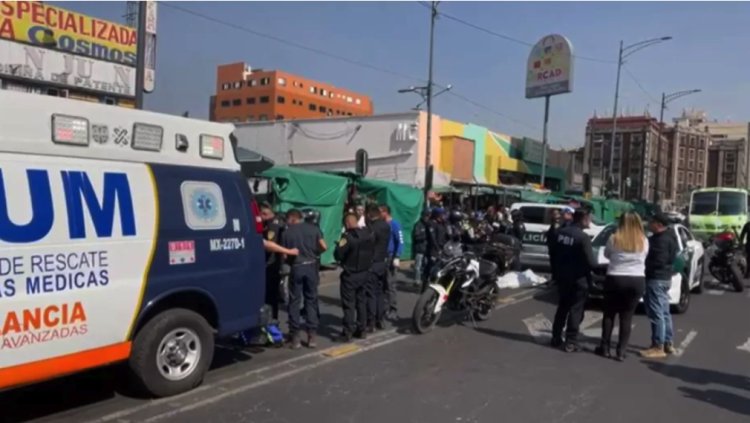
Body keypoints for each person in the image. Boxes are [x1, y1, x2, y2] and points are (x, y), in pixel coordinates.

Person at [597, 212, 648, 361]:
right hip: (636, 280)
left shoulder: (614, 238)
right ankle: (621, 351)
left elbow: (607, 255)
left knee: (609, 314)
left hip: (615, 277)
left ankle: (605, 348)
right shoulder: (643, 240)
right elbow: (645, 255)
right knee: (627, 316)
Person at [551, 208, 598, 352]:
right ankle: (571, 341)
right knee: (576, 310)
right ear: (583, 219)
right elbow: (591, 263)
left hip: (562, 277)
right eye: (589, 218)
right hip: (579, 279)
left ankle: (556, 336)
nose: (590, 221)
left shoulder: (560, 233)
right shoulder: (583, 238)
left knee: (562, 307)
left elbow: (553, 253)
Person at [280, 209, 327, 349]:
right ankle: (312, 335)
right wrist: (315, 253)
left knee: (294, 301)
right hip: (311, 266)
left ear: (292, 219)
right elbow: (324, 246)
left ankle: (295, 337)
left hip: (296, 266)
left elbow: (284, 256)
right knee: (311, 300)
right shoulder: (314, 229)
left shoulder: (286, 233)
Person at [641, 213, 678, 359]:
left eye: (652, 222)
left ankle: (658, 346)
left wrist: (645, 266)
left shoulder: (659, 241)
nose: (649, 224)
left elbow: (659, 261)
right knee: (664, 312)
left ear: (659, 224)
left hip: (656, 278)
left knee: (657, 313)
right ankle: (668, 342)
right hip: (665, 278)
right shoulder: (670, 237)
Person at [335, 213, 375, 341]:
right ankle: (361, 329)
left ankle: (347, 332)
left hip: (351, 274)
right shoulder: (367, 234)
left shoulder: (347, 237)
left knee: (349, 304)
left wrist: (338, 245)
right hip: (364, 272)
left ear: (347, 224)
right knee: (361, 302)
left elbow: (338, 255)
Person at [260, 203, 289, 321]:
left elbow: (270, 245)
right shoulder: (279, 221)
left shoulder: (272, 226)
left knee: (270, 296)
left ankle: (271, 321)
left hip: (271, 264)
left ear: (265, 214)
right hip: (277, 263)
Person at [367, 204, 391, 331]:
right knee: (380, 292)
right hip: (382, 261)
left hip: (373, 262)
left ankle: (371, 322)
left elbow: (369, 243)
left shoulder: (372, 227)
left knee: (371, 293)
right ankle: (380, 319)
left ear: (371, 215)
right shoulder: (386, 226)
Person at [380, 205, 403, 319]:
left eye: (381, 212)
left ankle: (393, 308)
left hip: (391, 257)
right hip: (382, 257)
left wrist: (397, 256)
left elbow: (400, 241)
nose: (379, 214)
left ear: (386, 212)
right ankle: (384, 308)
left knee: (391, 285)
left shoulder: (394, 224)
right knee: (383, 285)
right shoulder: (382, 224)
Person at [426, 208, 449, 290]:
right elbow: (433, 238)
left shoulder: (443, 224)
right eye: (442, 215)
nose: (444, 216)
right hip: (434, 251)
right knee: (431, 270)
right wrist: (437, 249)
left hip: (443, 250)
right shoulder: (431, 223)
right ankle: (426, 289)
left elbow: (447, 236)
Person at [412, 210, 430, 286]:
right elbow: (416, 236)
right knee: (418, 266)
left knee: (427, 266)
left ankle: (426, 281)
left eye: (428, 216)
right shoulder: (418, 225)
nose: (427, 218)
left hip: (427, 249)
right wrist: (426, 235)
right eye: (426, 216)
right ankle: (417, 281)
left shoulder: (429, 224)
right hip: (419, 249)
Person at [546, 208, 562, 283]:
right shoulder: (553, 224)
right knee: (553, 264)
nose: (556, 216)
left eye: (557, 214)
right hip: (552, 248)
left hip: (557, 248)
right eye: (554, 214)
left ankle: (557, 279)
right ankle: (554, 278)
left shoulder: (561, 224)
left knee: (557, 265)